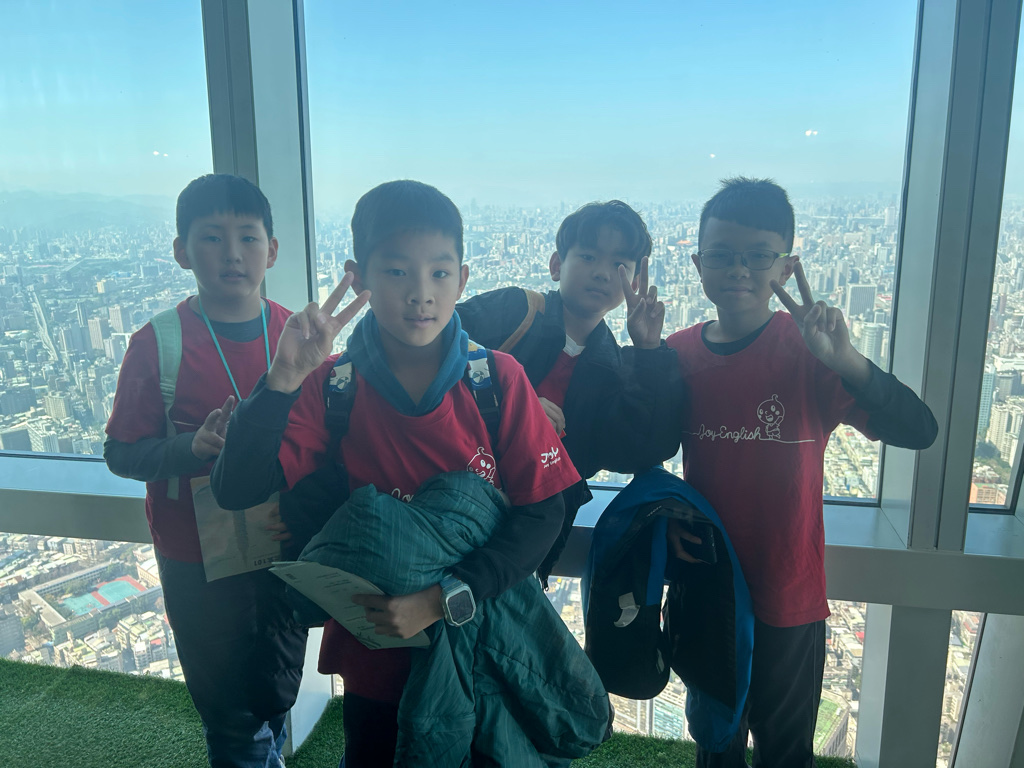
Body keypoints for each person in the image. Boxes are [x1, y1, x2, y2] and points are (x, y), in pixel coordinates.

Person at [210, 180, 588, 767]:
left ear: (462, 279)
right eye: (396, 272)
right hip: (375, 657)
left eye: (439, 273)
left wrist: (442, 598)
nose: (420, 294)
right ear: (358, 276)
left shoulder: (496, 382)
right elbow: (237, 488)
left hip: (481, 650)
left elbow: (544, 512)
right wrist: (281, 381)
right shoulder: (332, 388)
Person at [661, 177, 938, 768]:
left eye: (759, 255)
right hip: (707, 585)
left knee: (785, 752)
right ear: (698, 264)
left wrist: (846, 360)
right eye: (721, 255)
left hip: (788, 591)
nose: (739, 269)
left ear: (787, 267)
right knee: (715, 742)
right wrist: (666, 515)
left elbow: (919, 430)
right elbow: (646, 449)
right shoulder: (677, 354)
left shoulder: (811, 352)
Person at [104, 174, 307, 768]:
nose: (233, 253)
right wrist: (189, 448)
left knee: (275, 690)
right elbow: (121, 453)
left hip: (280, 546)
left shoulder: (296, 337)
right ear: (181, 251)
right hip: (196, 559)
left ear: (272, 250)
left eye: (248, 237)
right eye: (213, 238)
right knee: (228, 714)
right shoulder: (157, 344)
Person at [457, 200, 682, 580]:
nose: (602, 273)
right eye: (589, 257)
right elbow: (428, 351)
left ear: (634, 282)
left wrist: (647, 350)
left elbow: (638, 452)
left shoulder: (613, 367)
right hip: (452, 506)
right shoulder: (512, 311)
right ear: (556, 265)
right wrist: (515, 406)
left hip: (521, 551)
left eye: (619, 264)